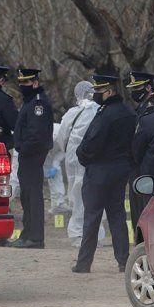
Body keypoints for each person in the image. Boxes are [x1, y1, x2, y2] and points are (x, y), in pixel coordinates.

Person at [72, 74, 136, 273]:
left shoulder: (106, 113)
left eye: (99, 91)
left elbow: (92, 142)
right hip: (120, 169)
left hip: (99, 170)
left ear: (108, 91)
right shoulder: (128, 112)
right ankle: (123, 261)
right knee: (117, 215)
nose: (96, 95)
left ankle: (84, 263)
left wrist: (81, 155)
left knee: (92, 216)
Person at [55, 81, 106, 247]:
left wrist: (68, 151)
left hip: (74, 157)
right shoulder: (101, 111)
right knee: (96, 195)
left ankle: (78, 233)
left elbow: (61, 137)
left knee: (77, 195)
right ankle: (96, 234)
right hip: (96, 157)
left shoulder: (72, 113)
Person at [9, 68, 53, 249]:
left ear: (35, 83)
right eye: (20, 82)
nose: (22, 86)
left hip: (32, 156)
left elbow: (36, 135)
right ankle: (28, 234)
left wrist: (24, 150)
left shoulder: (37, 104)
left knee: (33, 196)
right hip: (27, 156)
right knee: (27, 196)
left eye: (26, 82)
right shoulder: (29, 101)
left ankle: (35, 237)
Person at [125, 71, 154, 231]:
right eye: (133, 88)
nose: (134, 92)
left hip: (144, 166)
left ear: (148, 87)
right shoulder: (142, 108)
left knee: (142, 211)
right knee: (137, 211)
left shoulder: (152, 108)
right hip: (137, 166)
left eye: (138, 87)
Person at [44, 122, 70, 214]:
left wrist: (55, 164)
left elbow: (64, 151)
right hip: (40, 152)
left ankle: (58, 204)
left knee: (56, 175)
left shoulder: (66, 136)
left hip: (54, 152)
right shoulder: (47, 132)